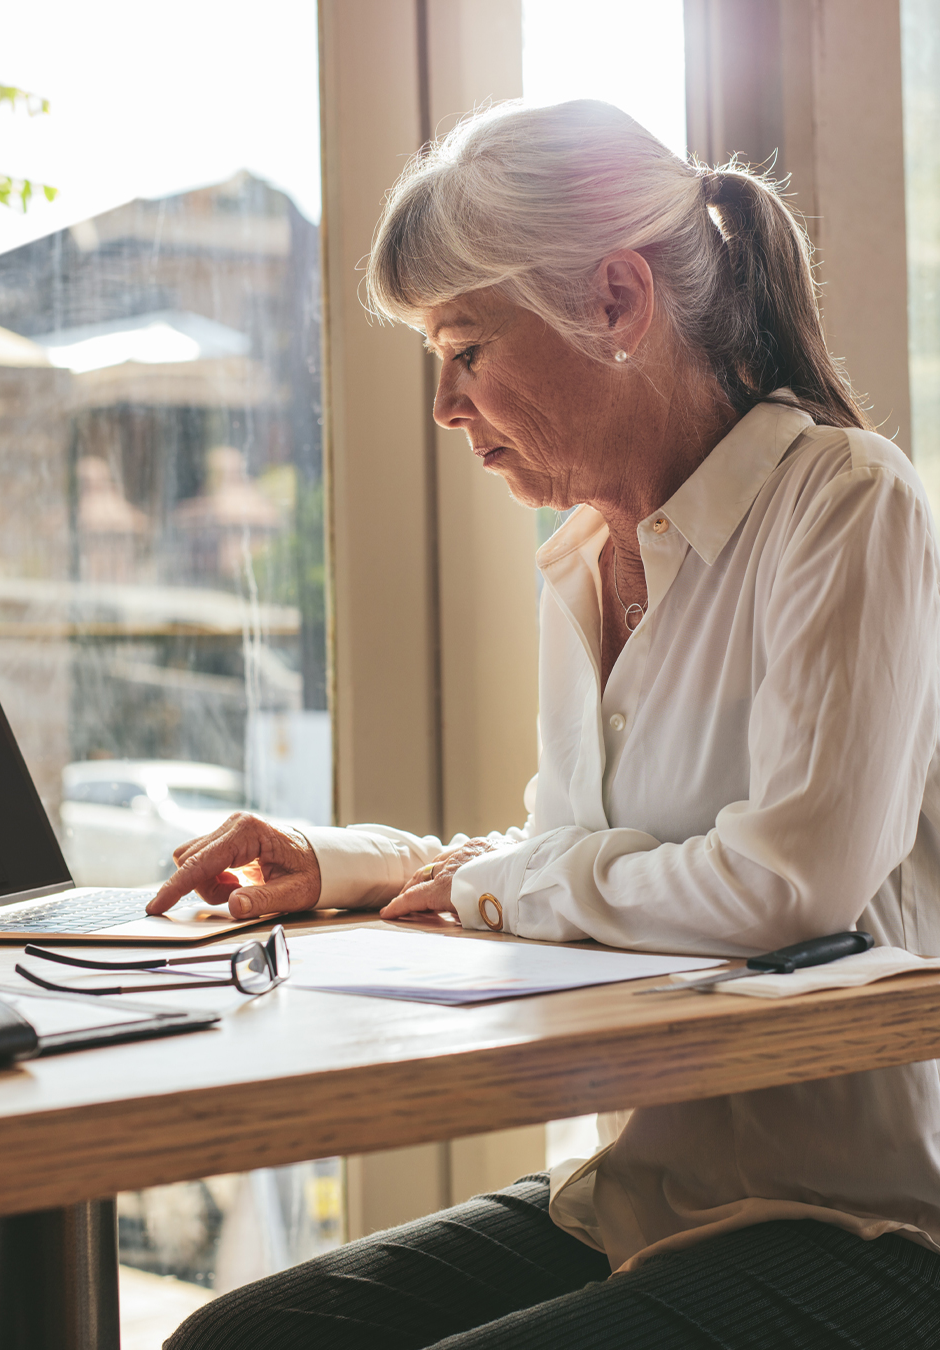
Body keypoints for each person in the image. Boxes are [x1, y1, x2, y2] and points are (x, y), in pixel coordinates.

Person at [152, 100, 940, 1347]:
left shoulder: (843, 502)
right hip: (647, 1189)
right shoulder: (585, 560)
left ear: (618, 303)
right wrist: (356, 866)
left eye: (465, 347)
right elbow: (584, 860)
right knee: (234, 1341)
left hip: (869, 1222)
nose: (445, 407)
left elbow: (792, 884)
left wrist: (495, 886)